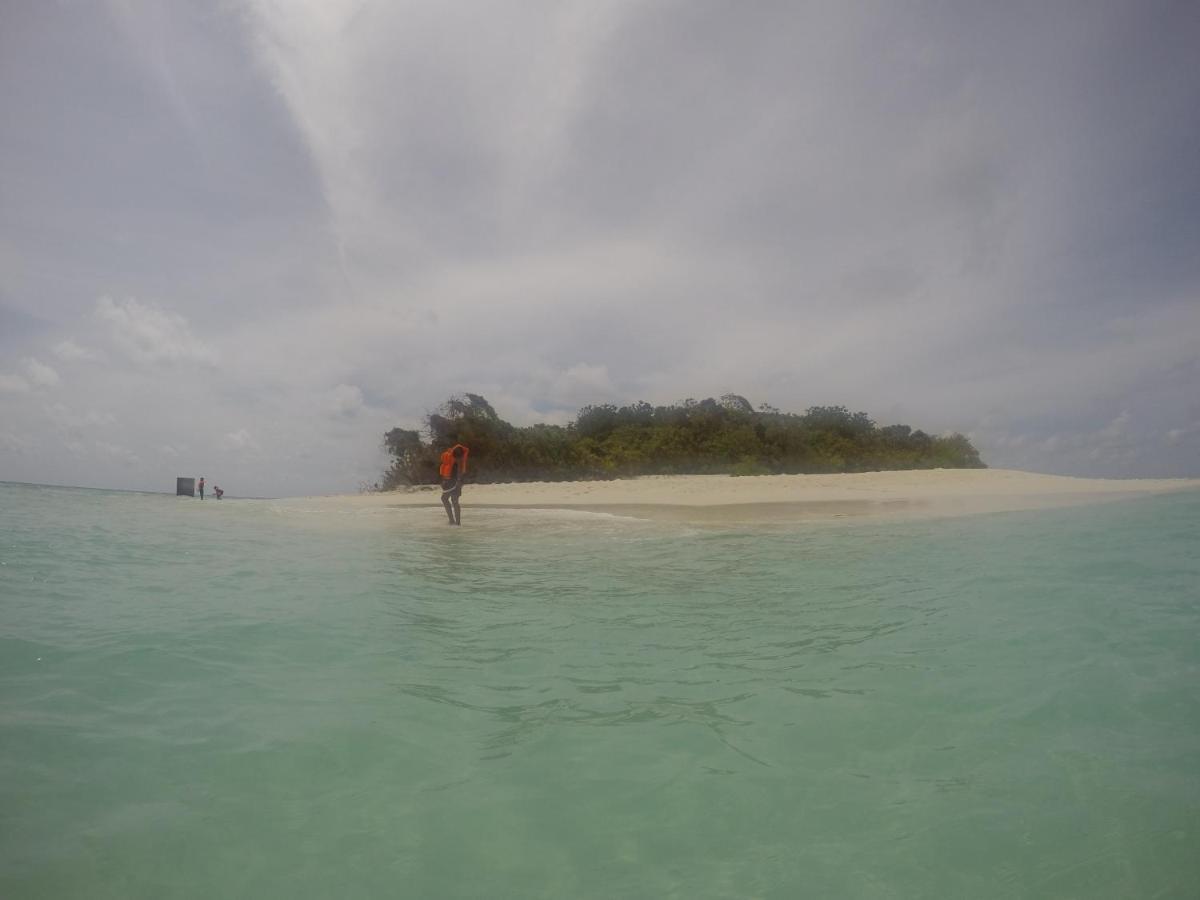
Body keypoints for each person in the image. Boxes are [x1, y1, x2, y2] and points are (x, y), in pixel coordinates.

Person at [439, 444, 468, 525]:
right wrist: (444, 480)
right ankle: (452, 521)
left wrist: (459, 482)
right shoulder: (452, 457)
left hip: (456, 481)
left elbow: (459, 471)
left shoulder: (459, 458)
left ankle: (457, 522)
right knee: (445, 499)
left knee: (454, 500)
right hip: (449, 481)